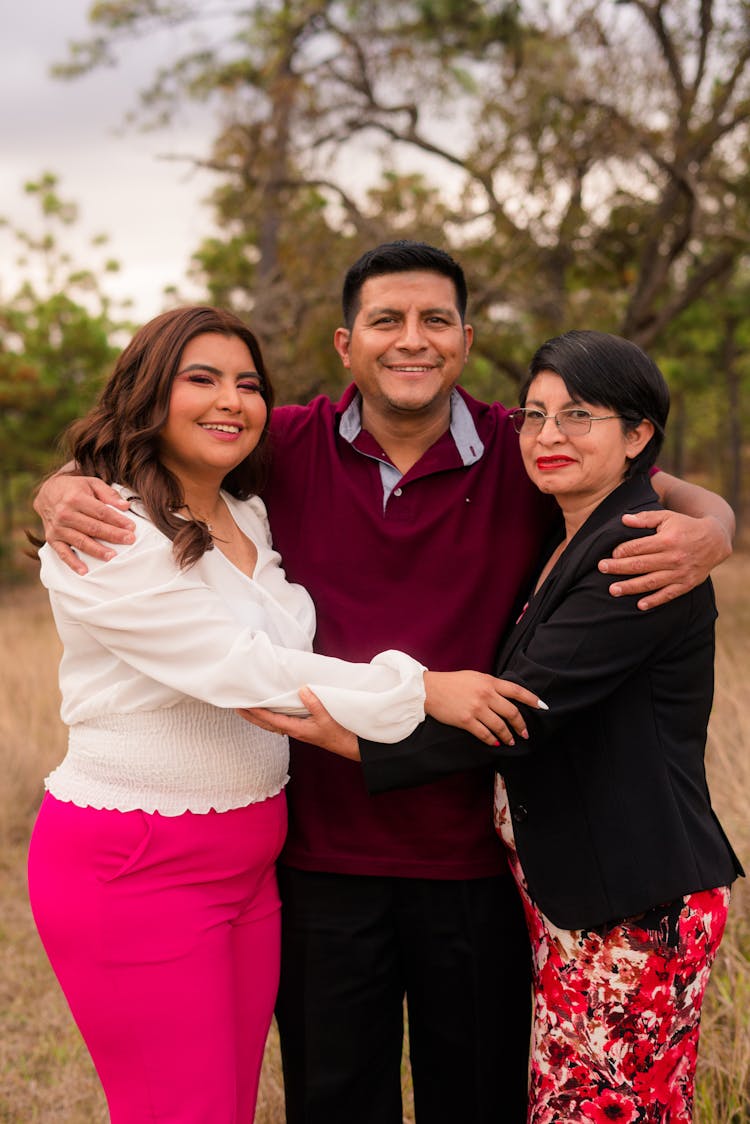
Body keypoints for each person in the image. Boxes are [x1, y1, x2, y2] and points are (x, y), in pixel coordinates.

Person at [34, 246, 735, 1124]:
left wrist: (716, 524)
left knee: (474, 1101)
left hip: (474, 862)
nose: (413, 341)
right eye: (386, 321)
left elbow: (647, 480)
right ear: (345, 343)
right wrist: (59, 488)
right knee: (332, 1102)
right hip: (317, 858)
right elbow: (156, 462)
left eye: (435, 320)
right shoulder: (277, 442)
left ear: (466, 340)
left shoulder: (527, 447)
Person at [27, 304, 540, 1124]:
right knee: (178, 1110)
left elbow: (621, 458)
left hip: (252, 863)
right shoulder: (110, 531)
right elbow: (241, 668)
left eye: (247, 383)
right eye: (201, 379)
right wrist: (420, 687)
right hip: (140, 857)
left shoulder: (249, 511)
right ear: (148, 393)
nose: (229, 400)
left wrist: (715, 521)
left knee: (226, 1105)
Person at [278, 330, 743, 1121]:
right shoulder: (574, 533)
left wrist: (337, 737)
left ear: (638, 437)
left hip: (629, 907)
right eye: (535, 415)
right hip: (581, 905)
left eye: (579, 415)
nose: (549, 435)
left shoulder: (634, 555)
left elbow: (515, 716)